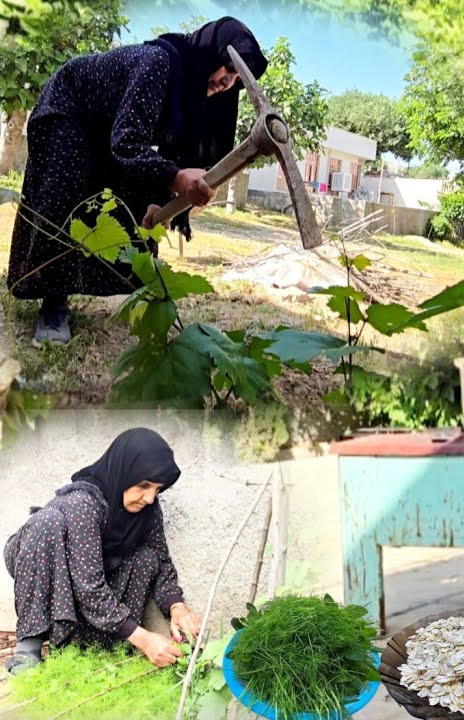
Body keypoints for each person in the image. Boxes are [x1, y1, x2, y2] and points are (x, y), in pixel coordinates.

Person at [6, 17, 268, 346]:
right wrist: (175, 176)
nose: (227, 83)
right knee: (66, 190)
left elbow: (158, 161)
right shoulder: (159, 63)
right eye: (224, 70)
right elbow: (127, 142)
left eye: (234, 80)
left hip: (104, 126)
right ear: (207, 54)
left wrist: (163, 199)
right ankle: (53, 303)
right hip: (67, 105)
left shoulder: (190, 104)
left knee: (134, 192)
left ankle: (147, 290)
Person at [3, 428, 201, 675]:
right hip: (44, 560)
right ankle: (28, 647)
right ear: (123, 471)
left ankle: (101, 645)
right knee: (47, 521)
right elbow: (89, 587)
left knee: (146, 558)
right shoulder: (83, 502)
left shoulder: (149, 509)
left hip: (88, 574)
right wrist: (144, 639)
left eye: (157, 489)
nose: (150, 498)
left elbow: (160, 558)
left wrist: (177, 607)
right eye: (143, 485)